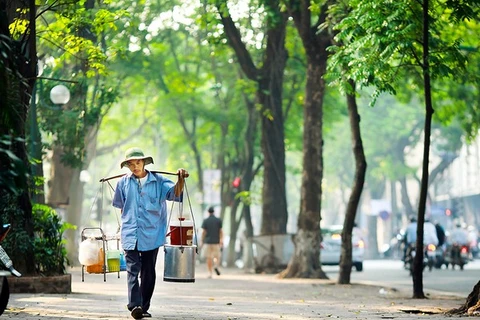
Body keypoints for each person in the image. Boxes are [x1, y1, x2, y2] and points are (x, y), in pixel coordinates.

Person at [112, 147, 189, 319]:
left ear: (144, 162)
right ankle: (135, 305)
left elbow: (175, 193)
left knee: (148, 270)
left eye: (138, 162)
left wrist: (180, 179)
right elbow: (121, 207)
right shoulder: (122, 183)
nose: (135, 167)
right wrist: (124, 226)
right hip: (130, 232)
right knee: (132, 269)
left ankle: (143, 306)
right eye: (130, 164)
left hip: (152, 233)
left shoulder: (159, 181)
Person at [201, 206, 223, 278]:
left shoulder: (206, 220)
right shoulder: (218, 220)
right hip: (216, 242)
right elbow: (220, 231)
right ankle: (216, 265)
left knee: (209, 258)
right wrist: (221, 240)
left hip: (207, 242)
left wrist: (202, 241)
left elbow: (204, 232)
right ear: (214, 212)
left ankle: (210, 273)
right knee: (217, 256)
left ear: (208, 212)